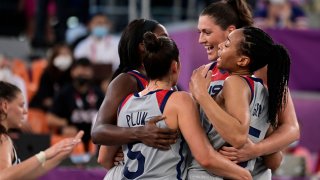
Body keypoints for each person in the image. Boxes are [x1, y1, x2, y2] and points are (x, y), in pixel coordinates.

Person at [115, 31, 251, 179]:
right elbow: (205, 157)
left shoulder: (125, 103)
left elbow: (104, 157)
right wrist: (244, 175)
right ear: (175, 66)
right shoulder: (179, 100)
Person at [189, 0, 299, 178]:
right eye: (199, 32)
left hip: (251, 173)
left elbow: (291, 128)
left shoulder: (261, 70)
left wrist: (255, 149)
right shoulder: (205, 73)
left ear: (230, 31)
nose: (201, 39)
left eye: (207, 32)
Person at [91, 19, 177, 179]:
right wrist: (140, 134)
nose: (169, 42)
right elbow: (98, 134)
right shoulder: (127, 80)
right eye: (163, 37)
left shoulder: (171, 84)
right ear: (142, 46)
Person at [0, 81, 84, 179]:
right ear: (5, 106)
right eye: (21, 105)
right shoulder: (3, 139)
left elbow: (22, 176)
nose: (25, 111)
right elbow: (3, 176)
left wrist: (59, 155)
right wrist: (45, 154)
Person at [47, 58, 104, 152]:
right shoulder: (65, 92)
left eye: (86, 70)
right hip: (73, 137)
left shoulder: (98, 93)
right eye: (80, 70)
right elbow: (49, 118)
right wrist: (65, 125)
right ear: (72, 72)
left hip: (94, 137)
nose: (83, 74)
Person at [29, 43, 74, 112]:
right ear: (55, 57)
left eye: (67, 55)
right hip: (44, 110)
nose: (64, 58)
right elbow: (45, 100)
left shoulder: (72, 75)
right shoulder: (47, 74)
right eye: (62, 55)